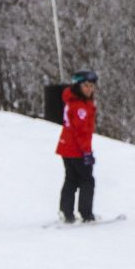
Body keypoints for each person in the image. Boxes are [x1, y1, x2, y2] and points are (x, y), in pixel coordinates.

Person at [55, 70, 99, 223]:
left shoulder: (73, 101)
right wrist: (87, 152)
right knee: (87, 181)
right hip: (76, 149)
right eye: (86, 85)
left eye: (92, 86)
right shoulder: (80, 106)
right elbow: (82, 131)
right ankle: (85, 213)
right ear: (77, 86)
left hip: (65, 147)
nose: (89, 89)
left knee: (71, 179)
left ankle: (66, 212)